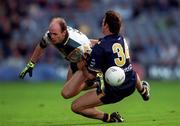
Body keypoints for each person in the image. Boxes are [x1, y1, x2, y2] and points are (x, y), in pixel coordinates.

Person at [70, 10, 150, 123]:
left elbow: (90, 75)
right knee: (128, 68)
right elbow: (103, 44)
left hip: (113, 90)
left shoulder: (100, 47)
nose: (102, 23)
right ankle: (143, 90)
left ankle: (109, 117)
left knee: (75, 106)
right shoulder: (122, 39)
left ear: (106, 25)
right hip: (130, 84)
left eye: (103, 21)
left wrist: (82, 63)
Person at [19, 17, 98, 98]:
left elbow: (89, 53)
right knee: (68, 91)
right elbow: (40, 46)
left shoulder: (78, 46)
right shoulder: (49, 35)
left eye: (55, 34)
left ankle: (98, 83)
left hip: (86, 60)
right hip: (75, 59)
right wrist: (31, 64)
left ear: (63, 33)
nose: (52, 37)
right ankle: (96, 84)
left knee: (68, 92)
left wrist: (92, 76)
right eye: (51, 33)